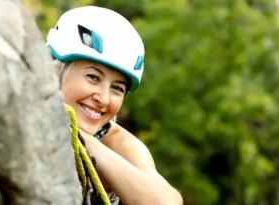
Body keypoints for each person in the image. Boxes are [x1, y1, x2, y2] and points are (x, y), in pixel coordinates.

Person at [46, 6, 183, 205]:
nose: (104, 99)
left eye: (117, 88)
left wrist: (84, 140)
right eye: (93, 77)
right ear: (55, 71)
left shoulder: (119, 144)